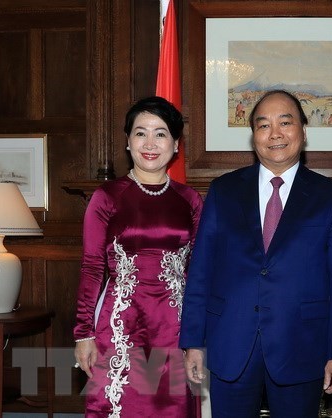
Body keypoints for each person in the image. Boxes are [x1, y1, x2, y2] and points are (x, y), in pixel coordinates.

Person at [180, 89, 332, 418]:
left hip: (301, 345)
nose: (274, 133)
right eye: (263, 125)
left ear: (304, 131)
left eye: (285, 122)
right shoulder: (223, 191)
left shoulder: (331, 197)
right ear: (253, 137)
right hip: (230, 341)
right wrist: (193, 340)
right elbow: (200, 271)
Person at [73, 96, 202, 417]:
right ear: (128, 142)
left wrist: (197, 339)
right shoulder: (107, 197)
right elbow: (91, 268)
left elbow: (198, 275)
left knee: (172, 408)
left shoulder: (190, 201)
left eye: (161, 134)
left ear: (175, 145)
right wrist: (84, 334)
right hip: (119, 326)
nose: (150, 143)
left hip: (175, 328)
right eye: (140, 132)